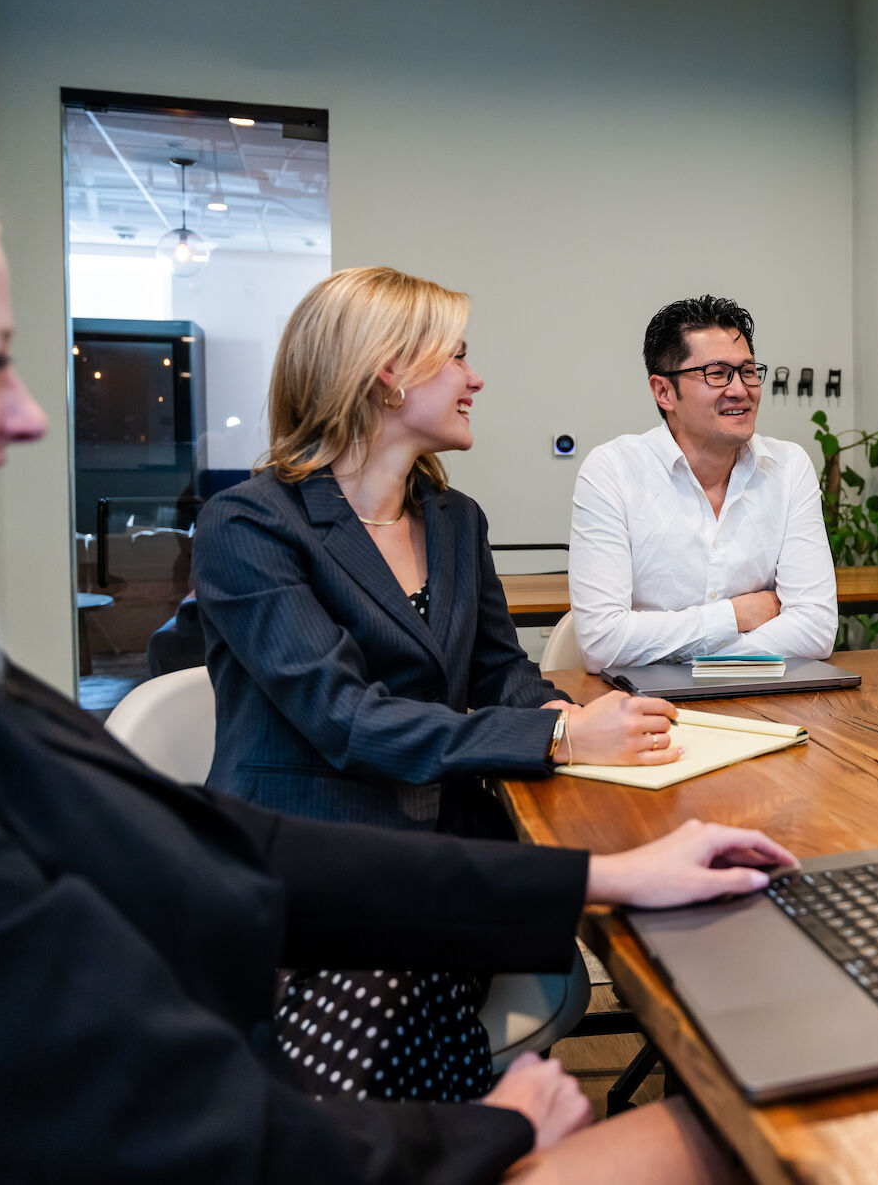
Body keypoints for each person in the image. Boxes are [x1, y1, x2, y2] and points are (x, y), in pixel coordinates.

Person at [0, 129, 791, 1182]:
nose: (29, 416)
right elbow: (334, 733)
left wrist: (599, 863)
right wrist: (494, 1126)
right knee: (741, 1130)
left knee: (734, 1116)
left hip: (376, 901)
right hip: (292, 1005)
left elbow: (228, 844)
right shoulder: (247, 525)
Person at [193, 266, 687, 1100]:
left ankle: (444, 1142)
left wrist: (575, 711)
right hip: (312, 871)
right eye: (457, 355)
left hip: (441, 856)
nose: (476, 376)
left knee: (415, 992)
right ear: (387, 372)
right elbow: (343, 717)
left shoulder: (457, 520)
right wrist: (561, 738)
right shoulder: (249, 525)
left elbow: (498, 672)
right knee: (382, 1018)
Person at [568, 295, 837, 671]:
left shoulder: (789, 467)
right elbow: (603, 642)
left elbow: (816, 630)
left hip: (762, 699)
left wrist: (696, 658)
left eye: (747, 371)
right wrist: (736, 615)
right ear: (664, 392)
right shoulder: (613, 471)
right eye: (717, 373)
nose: (740, 389)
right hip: (643, 710)